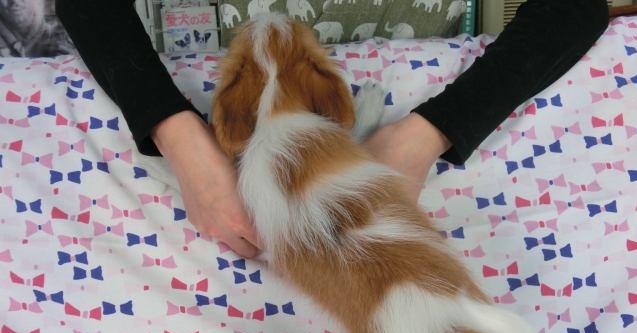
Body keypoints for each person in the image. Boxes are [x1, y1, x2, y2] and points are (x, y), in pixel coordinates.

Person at [55, 0, 609, 259]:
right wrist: (177, 137)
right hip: (206, 118)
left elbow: (576, 8)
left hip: (413, 115)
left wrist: (433, 131)